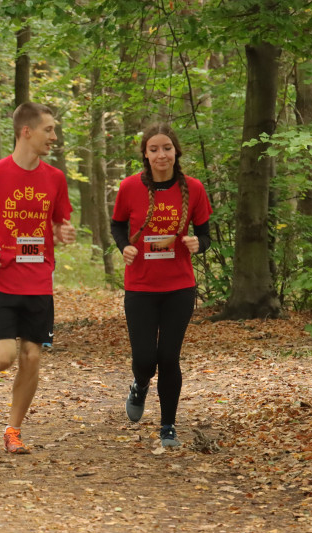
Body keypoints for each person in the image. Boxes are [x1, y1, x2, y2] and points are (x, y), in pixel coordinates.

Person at [0, 102, 75, 454]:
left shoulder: (55, 178)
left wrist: (63, 232)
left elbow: (59, 222)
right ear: (27, 132)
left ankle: (13, 430)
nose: (54, 136)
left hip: (38, 279)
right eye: (49, 129)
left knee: (33, 356)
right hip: (0, 278)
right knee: (4, 355)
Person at [110, 123, 213, 447]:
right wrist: (124, 245)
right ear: (145, 154)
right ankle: (140, 385)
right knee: (144, 358)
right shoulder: (129, 187)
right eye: (153, 149)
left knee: (169, 357)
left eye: (166, 148)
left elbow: (206, 233)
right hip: (140, 286)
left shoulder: (194, 189)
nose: (161, 155)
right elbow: (116, 225)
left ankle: (168, 425)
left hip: (179, 287)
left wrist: (200, 244)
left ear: (176, 151)